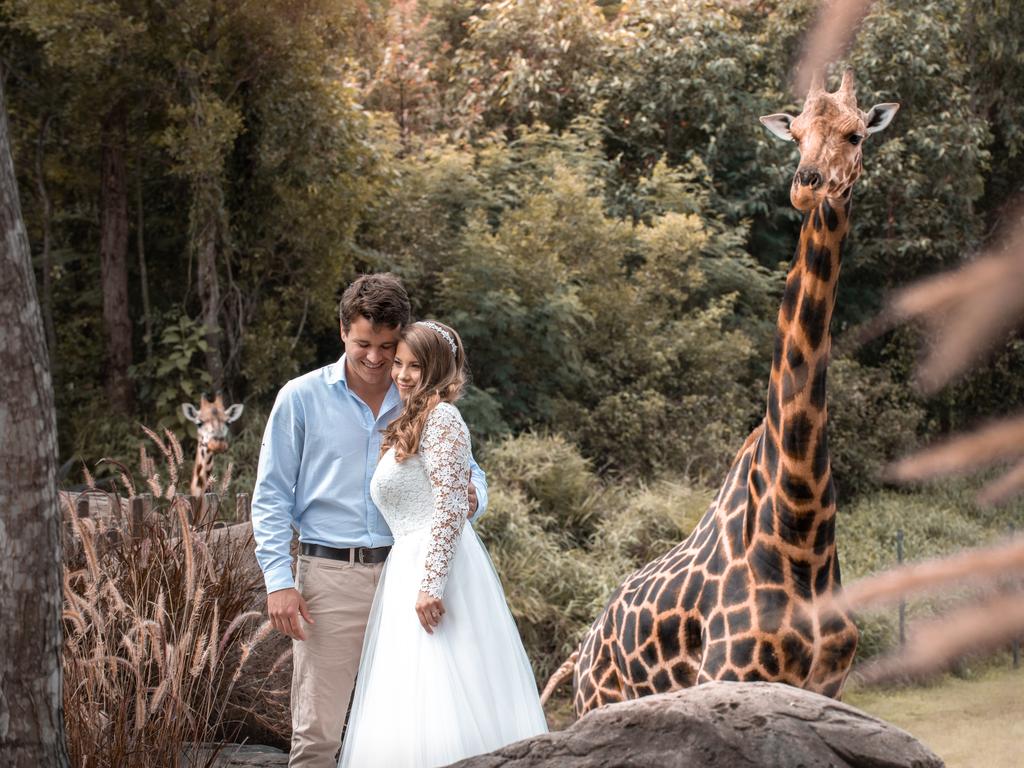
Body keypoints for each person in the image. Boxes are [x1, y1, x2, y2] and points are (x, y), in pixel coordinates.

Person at [250, 274, 489, 768]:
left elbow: (471, 474)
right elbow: (271, 496)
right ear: (342, 332)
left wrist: (472, 497)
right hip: (330, 579)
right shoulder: (300, 398)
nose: (377, 359)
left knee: (414, 731)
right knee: (317, 735)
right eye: (364, 344)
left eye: (387, 345)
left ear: (402, 335)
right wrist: (278, 580)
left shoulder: (420, 397)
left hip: (412, 578)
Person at [338, 320, 547, 768]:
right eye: (400, 363)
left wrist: (431, 584)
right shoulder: (413, 418)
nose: (403, 374)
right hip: (406, 568)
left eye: (416, 366)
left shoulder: (444, 418)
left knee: (444, 698)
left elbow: (452, 505)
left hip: (436, 572)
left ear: (440, 370)